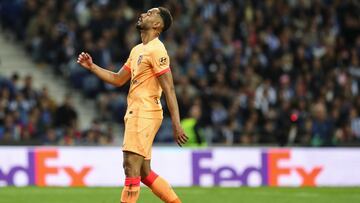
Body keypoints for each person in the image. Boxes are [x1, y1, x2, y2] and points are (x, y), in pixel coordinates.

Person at [77, 7, 188, 203]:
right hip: (136, 111)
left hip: (145, 111)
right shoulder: (138, 50)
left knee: (130, 165)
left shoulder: (157, 50)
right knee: (144, 172)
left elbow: (169, 89)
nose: (144, 14)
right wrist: (92, 67)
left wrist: (176, 124)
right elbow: (118, 79)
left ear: (157, 24)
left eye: (150, 13)